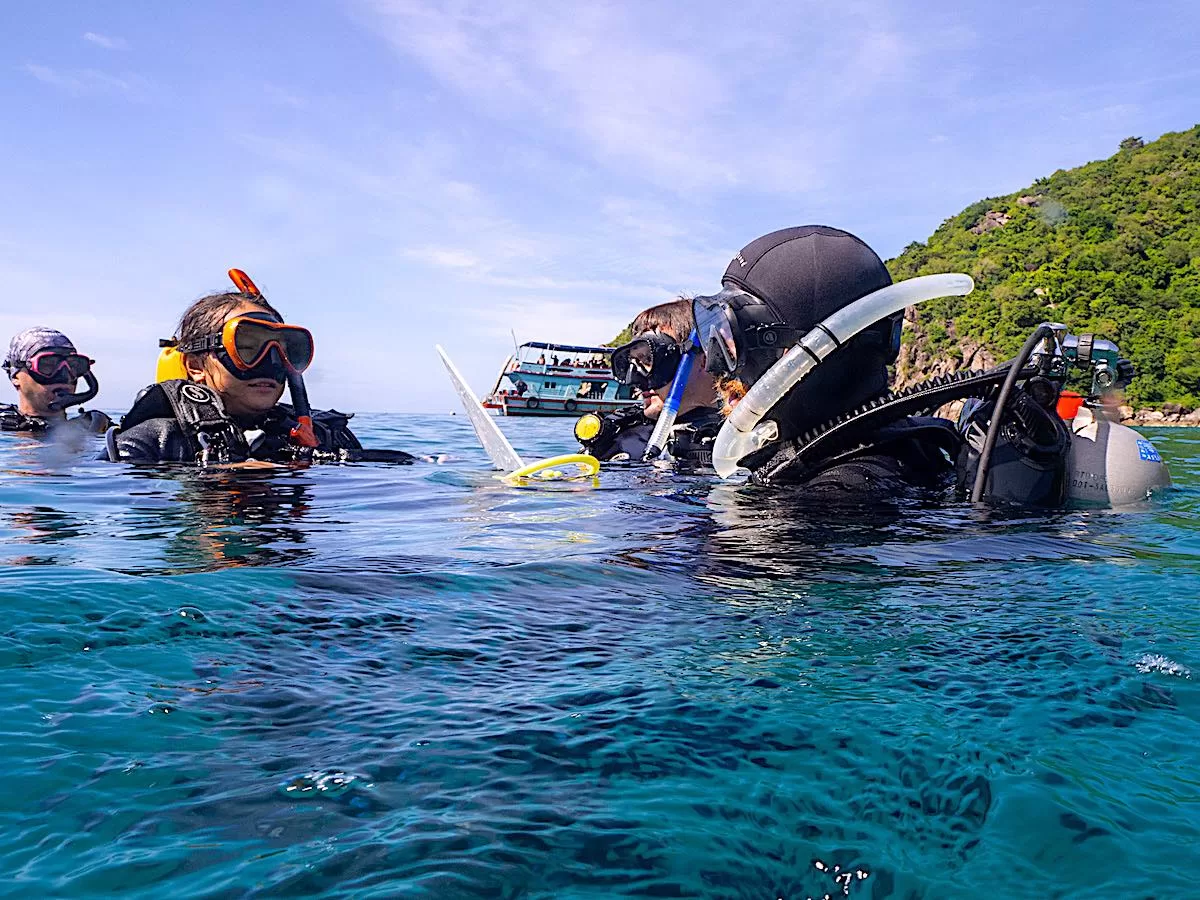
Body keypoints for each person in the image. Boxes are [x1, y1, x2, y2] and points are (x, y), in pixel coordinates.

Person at [690, 225, 961, 492]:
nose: (716, 367)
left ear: (815, 351)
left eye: (736, 341)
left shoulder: (847, 493)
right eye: (713, 334)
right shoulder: (810, 462)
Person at [106, 270, 414, 466]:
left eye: (282, 350)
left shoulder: (322, 436)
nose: (269, 364)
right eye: (248, 348)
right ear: (196, 365)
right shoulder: (152, 443)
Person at [576, 298, 721, 464]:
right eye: (633, 363)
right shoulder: (618, 436)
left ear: (705, 361)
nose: (635, 379)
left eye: (648, 359)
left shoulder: (739, 442)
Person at [2, 327, 110, 433]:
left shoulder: (96, 427)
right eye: (47, 365)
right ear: (15, 376)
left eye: (73, 366)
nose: (64, 376)